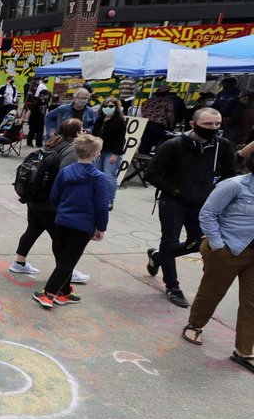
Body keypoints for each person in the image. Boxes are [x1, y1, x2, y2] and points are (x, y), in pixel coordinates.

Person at [145, 107, 237, 308]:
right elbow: (151, 174)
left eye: (217, 124)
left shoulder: (223, 146)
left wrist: (217, 192)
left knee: (198, 243)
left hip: (204, 204)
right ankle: (173, 287)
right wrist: (176, 191)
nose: (213, 128)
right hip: (173, 203)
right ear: (193, 124)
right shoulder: (173, 145)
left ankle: (158, 257)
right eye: (207, 125)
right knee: (169, 242)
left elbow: (231, 174)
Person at [183, 153, 254, 371]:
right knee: (212, 291)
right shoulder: (234, 185)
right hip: (229, 248)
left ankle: (244, 350)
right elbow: (207, 214)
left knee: (252, 302)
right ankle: (195, 324)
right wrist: (217, 245)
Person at [8, 119, 91, 281]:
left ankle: (19, 263)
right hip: (49, 204)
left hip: (34, 199)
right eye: (82, 130)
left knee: (33, 229)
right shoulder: (72, 151)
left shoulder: (50, 144)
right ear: (76, 133)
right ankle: (65, 272)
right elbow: (66, 177)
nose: (84, 132)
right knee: (61, 240)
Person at [33, 135, 110, 308]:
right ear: (96, 154)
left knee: (63, 257)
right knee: (69, 260)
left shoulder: (66, 171)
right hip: (83, 225)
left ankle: (64, 290)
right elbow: (101, 206)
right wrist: (101, 228)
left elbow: (54, 197)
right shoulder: (99, 178)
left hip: (61, 221)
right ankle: (49, 293)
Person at [92, 98, 127, 210]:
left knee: (109, 177)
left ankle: (109, 201)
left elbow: (121, 139)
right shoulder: (99, 119)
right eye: (106, 105)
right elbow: (94, 135)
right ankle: (96, 198)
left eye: (111, 106)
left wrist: (116, 154)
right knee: (96, 176)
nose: (108, 108)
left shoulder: (120, 121)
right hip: (98, 152)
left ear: (116, 108)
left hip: (112, 152)